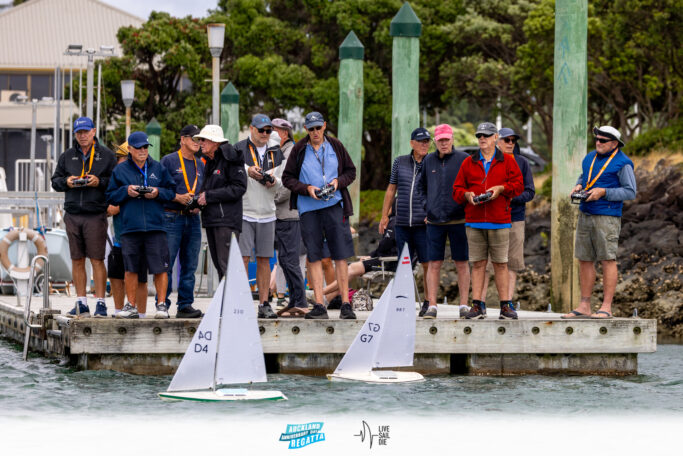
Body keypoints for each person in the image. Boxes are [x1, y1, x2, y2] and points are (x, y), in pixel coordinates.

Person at [282, 111, 357, 320]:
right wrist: (307, 189)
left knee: (340, 254)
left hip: (335, 206)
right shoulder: (299, 149)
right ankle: (319, 305)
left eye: (318, 127)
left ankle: (345, 303)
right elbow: (287, 178)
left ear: (324, 126)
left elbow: (351, 172)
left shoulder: (336, 145)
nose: (315, 132)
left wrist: (337, 183)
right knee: (313, 255)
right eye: (311, 128)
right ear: (306, 129)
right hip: (309, 209)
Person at [562, 126, 636, 319]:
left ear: (614, 144)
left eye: (603, 141)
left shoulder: (623, 163)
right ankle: (584, 305)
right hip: (585, 212)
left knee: (607, 259)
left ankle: (606, 307)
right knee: (584, 259)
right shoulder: (590, 157)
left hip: (607, 217)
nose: (598, 143)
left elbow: (630, 192)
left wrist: (604, 192)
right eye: (596, 139)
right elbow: (585, 176)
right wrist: (579, 184)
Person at [453, 122, 523, 320]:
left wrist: (501, 189)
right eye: (479, 136)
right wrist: (467, 195)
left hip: (500, 220)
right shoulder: (468, 162)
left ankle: (505, 306)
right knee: (477, 264)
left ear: (495, 138)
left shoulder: (509, 161)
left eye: (486, 135)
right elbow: (456, 190)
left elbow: (518, 186)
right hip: (474, 222)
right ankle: (477, 305)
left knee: (501, 264)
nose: (482, 138)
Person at [105, 131, 176, 319]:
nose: (143, 150)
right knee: (131, 268)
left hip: (155, 227)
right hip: (130, 227)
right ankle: (131, 306)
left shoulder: (158, 168)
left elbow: (171, 192)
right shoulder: (120, 171)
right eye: (138, 147)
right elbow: (110, 196)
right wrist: (126, 191)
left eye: (145, 147)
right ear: (130, 149)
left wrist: (157, 192)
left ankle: (161, 306)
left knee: (160, 267)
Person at [51, 116, 116, 318]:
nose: (83, 136)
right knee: (76, 259)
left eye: (86, 132)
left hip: (96, 213)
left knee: (97, 259)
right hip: (72, 214)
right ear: (75, 134)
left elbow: (115, 181)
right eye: (79, 133)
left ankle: (101, 303)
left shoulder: (106, 155)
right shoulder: (67, 156)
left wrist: (99, 182)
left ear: (93, 131)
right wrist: (67, 182)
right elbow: (55, 181)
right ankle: (81, 303)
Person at [418, 124, 471, 319]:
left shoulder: (464, 159)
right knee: (434, 263)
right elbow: (421, 188)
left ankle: (464, 305)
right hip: (434, 222)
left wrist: (467, 207)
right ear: (435, 142)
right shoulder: (428, 161)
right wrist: (427, 206)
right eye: (440, 140)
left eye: (447, 139)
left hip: (459, 220)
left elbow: (472, 186)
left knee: (462, 263)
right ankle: (432, 305)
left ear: (452, 139)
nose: (444, 143)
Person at [234, 114, 284, 319]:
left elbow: (283, 179)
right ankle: (242, 303)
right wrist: (248, 170)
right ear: (251, 128)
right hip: (245, 211)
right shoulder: (238, 148)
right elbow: (232, 170)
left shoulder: (276, 151)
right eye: (261, 130)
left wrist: (274, 181)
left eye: (268, 131)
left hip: (268, 212)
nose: (265, 134)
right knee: (243, 259)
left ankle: (264, 303)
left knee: (265, 259)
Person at [480, 128, 535, 308]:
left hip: (515, 219)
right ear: (497, 140)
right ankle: (479, 302)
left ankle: (507, 302)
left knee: (512, 262)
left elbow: (530, 191)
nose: (511, 143)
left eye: (513, 140)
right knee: (486, 263)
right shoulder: (487, 161)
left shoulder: (522, 162)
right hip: (491, 219)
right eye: (507, 140)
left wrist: (509, 197)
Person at [379, 127, 431, 316]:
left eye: (427, 141)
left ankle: (428, 302)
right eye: (421, 141)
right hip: (401, 222)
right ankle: (404, 302)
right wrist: (384, 216)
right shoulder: (400, 162)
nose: (425, 144)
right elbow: (391, 189)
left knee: (427, 263)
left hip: (423, 224)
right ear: (412, 143)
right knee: (404, 264)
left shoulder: (431, 162)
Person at [158, 124, 205, 319]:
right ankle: (163, 303)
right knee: (167, 264)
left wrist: (199, 203)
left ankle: (185, 304)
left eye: (200, 139)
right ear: (183, 139)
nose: (198, 143)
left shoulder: (200, 163)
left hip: (193, 218)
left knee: (190, 264)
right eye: (194, 139)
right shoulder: (168, 161)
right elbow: (158, 189)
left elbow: (202, 189)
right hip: (171, 216)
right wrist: (177, 197)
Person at [194, 125, 247, 280]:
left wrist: (208, 196)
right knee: (220, 266)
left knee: (227, 266)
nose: (201, 143)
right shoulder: (211, 161)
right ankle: (225, 303)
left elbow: (239, 187)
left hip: (226, 221)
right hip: (213, 219)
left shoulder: (230, 158)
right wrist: (198, 201)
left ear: (214, 142)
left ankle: (233, 303)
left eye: (203, 139)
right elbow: (209, 190)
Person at [324, 205, 398, 304]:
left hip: (389, 261)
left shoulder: (394, 222)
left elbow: (385, 245)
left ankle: (320, 293)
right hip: (387, 259)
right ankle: (327, 298)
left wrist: (372, 257)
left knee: (351, 268)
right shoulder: (398, 221)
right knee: (346, 268)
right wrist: (371, 256)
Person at [271, 118, 308, 317]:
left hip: (290, 214)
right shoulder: (281, 153)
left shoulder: (289, 153)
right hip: (284, 214)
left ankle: (300, 301)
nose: (268, 135)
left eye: (272, 131)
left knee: (290, 259)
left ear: (284, 134)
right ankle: (294, 301)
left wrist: (270, 200)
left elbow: (286, 184)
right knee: (285, 259)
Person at [106, 142, 148, 316]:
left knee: (140, 278)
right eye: (118, 158)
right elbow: (110, 208)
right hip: (120, 237)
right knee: (116, 274)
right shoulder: (117, 177)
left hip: (140, 237)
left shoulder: (143, 175)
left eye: (121, 158)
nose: (119, 162)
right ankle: (117, 311)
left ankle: (141, 314)